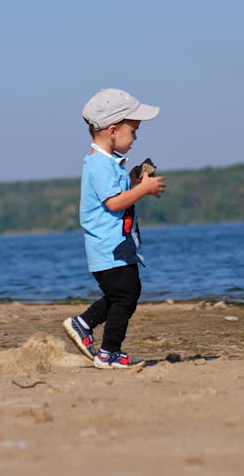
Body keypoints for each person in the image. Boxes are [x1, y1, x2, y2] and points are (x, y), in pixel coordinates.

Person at [62, 88, 166, 369]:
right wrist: (143, 189)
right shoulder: (99, 164)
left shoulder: (108, 164)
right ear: (112, 130)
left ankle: (84, 324)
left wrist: (133, 181)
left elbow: (115, 195)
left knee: (123, 294)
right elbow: (114, 203)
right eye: (133, 131)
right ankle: (109, 352)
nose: (135, 138)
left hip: (116, 247)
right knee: (126, 295)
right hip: (109, 248)